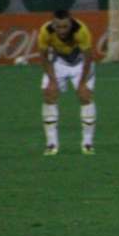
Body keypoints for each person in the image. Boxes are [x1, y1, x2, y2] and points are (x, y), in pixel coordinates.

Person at [37, 9, 96, 156]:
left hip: (80, 64)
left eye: (65, 26)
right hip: (58, 63)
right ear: (53, 24)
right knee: (49, 94)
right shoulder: (45, 31)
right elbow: (44, 57)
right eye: (58, 27)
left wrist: (82, 83)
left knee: (85, 96)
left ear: (70, 23)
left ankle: (87, 143)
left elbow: (88, 57)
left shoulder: (81, 31)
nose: (62, 30)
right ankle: (51, 144)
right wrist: (52, 80)